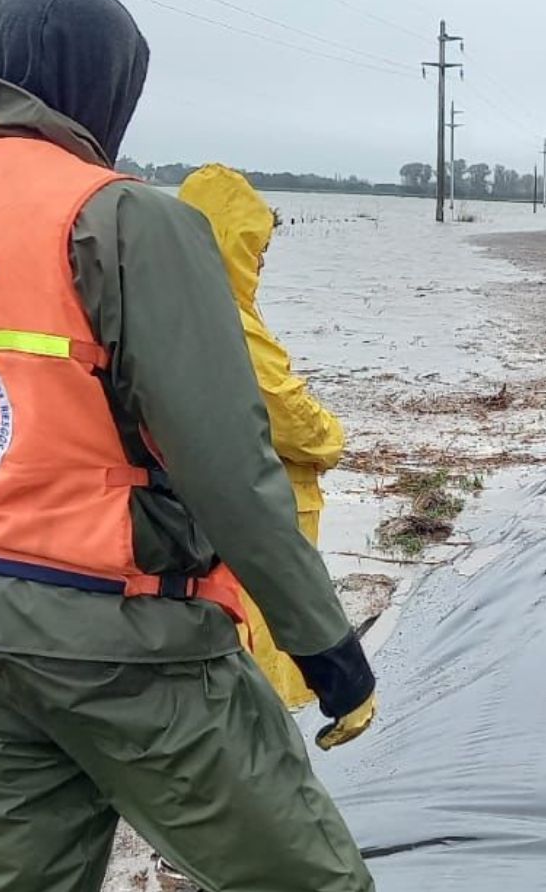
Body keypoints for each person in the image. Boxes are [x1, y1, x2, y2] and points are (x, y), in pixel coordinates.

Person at [0, 0, 376, 891]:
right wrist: (324, 644)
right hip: (123, 644)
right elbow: (227, 464)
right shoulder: (126, 218)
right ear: (113, 84)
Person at [180, 164, 347, 709]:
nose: (262, 259)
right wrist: (331, 438)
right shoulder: (225, 319)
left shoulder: (168, 309)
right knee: (263, 651)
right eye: (257, 245)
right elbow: (286, 412)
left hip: (214, 518)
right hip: (265, 513)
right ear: (230, 241)